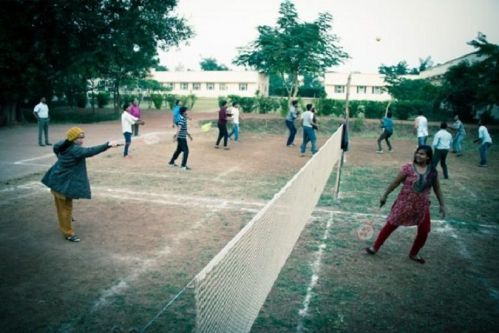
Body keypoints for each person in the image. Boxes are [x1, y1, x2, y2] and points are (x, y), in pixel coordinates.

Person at [365, 145, 446, 264]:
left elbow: (437, 189)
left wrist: (442, 204)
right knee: (391, 225)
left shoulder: (432, 172)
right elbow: (395, 182)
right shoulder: (408, 168)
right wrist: (385, 195)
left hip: (422, 207)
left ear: (428, 157)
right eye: (417, 153)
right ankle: (375, 247)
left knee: (424, 231)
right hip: (404, 204)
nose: (418, 155)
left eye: (422, 154)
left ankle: (414, 253)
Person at [41, 127, 121, 242]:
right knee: (64, 209)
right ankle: (68, 233)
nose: (81, 140)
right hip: (60, 182)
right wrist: (107, 145)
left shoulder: (62, 145)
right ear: (72, 138)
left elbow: (56, 148)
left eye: (82, 137)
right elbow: (90, 151)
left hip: (62, 181)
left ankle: (67, 218)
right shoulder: (75, 150)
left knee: (66, 206)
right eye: (79, 138)